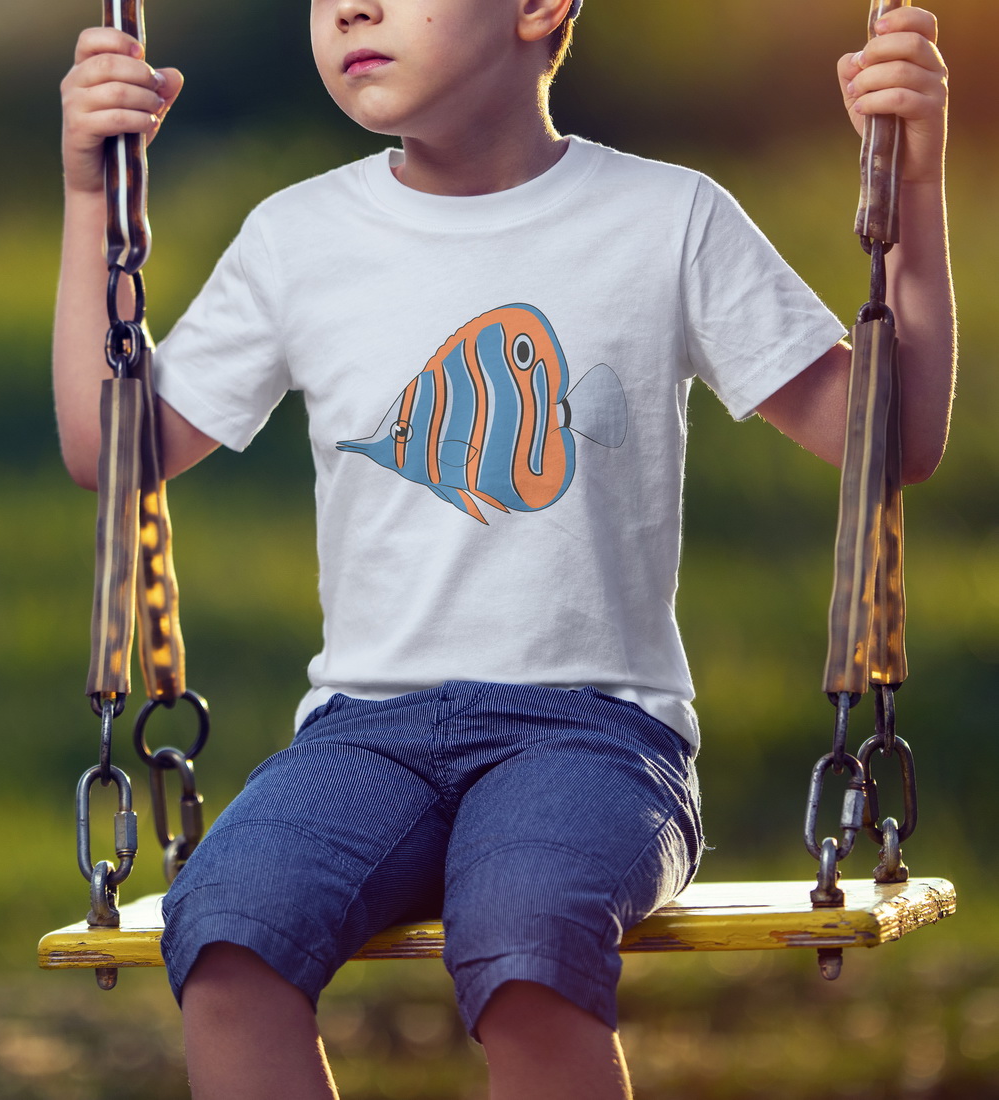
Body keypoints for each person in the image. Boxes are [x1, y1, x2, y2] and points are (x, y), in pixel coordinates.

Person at [55, 1, 955, 1096]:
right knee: (227, 929)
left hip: (595, 735)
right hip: (360, 732)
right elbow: (115, 450)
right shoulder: (297, 236)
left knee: (526, 934)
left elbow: (888, 439)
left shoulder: (665, 217)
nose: (349, 8)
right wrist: (92, 199)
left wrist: (908, 182)